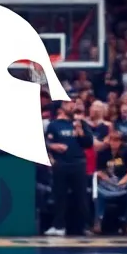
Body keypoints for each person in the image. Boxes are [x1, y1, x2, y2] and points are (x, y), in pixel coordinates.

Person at [44, 100, 91, 236]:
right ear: (60, 109)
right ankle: (59, 226)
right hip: (61, 164)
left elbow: (88, 143)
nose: (72, 105)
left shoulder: (80, 123)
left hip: (78, 163)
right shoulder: (53, 125)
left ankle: (84, 227)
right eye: (68, 103)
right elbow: (45, 142)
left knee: (81, 197)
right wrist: (54, 147)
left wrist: (80, 131)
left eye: (73, 103)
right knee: (60, 196)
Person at [93, 129, 127, 235]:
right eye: (112, 140)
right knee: (97, 192)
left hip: (123, 179)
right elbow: (99, 171)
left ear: (121, 142)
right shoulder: (103, 153)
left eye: (117, 140)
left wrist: (123, 181)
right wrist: (108, 180)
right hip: (107, 180)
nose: (114, 142)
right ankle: (98, 221)